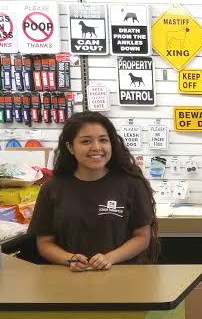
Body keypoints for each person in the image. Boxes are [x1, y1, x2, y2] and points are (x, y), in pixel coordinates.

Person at [28, 112, 159, 271]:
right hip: (70, 278)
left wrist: (110, 258)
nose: (96, 147)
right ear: (70, 147)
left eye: (103, 140)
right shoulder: (51, 188)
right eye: (86, 141)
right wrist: (69, 259)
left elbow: (142, 237)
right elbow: (45, 243)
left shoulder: (132, 184)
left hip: (122, 276)